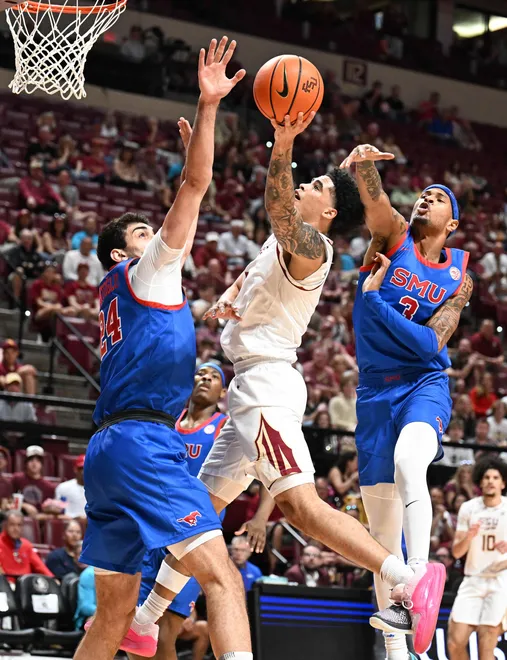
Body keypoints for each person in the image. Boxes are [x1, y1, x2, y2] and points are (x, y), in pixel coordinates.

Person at [141, 113, 447, 656]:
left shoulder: (313, 248)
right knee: (200, 506)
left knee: (302, 507)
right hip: (249, 386)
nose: (308, 181)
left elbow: (281, 210)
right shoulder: (282, 245)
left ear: (327, 213)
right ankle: (147, 620)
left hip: (267, 389)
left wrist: (283, 143)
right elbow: (262, 257)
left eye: (321, 184)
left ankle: (405, 578)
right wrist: (231, 300)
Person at [76, 37, 252, 660]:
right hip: (146, 442)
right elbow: (197, 183)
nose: (158, 234)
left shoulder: (117, 293)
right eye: (144, 232)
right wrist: (208, 109)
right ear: (124, 253)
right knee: (221, 578)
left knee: (113, 616)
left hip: (108, 449)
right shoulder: (145, 274)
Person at [339, 142, 472, 657]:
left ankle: (420, 573)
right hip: (374, 393)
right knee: (380, 541)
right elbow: (375, 203)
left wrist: (374, 302)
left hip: (424, 385)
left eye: (437, 198)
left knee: (408, 462)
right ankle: (399, 650)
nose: (425, 200)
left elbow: (429, 345)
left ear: (453, 223)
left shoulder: (459, 277)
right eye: (422, 194)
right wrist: (364, 167)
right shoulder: (393, 236)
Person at [127, 362, 248, 660]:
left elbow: (260, 461)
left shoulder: (224, 425)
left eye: (214, 376)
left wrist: (260, 518)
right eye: (200, 373)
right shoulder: (170, 422)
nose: (205, 378)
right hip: (154, 531)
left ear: (223, 391)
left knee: (166, 631)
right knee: (136, 638)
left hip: (196, 536)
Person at [447, 457, 507, 660]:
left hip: (501, 579)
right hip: (473, 578)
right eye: (486, 477)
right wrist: (469, 536)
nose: (491, 481)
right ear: (480, 482)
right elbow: (456, 553)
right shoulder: (469, 508)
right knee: (455, 642)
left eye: (495, 477)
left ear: (503, 482)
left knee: (487, 641)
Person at [0, 511, 54, 581]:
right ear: (5, 525)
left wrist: (54, 581)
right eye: (12, 525)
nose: (16, 529)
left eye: (19, 525)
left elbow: (41, 568)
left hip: (25, 586)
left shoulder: (26, 545)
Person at [11, 445, 57, 518]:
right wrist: (25, 505)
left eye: (38, 461)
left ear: (42, 464)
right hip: (18, 517)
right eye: (31, 460)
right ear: (26, 463)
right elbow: (9, 501)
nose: (34, 463)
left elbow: (49, 512)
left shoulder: (49, 487)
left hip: (39, 520)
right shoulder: (17, 478)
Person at [55, 454, 86, 519]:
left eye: (86, 468)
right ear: (75, 469)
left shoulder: (98, 490)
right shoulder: (63, 487)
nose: (83, 472)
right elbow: (58, 512)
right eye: (81, 469)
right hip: (69, 523)